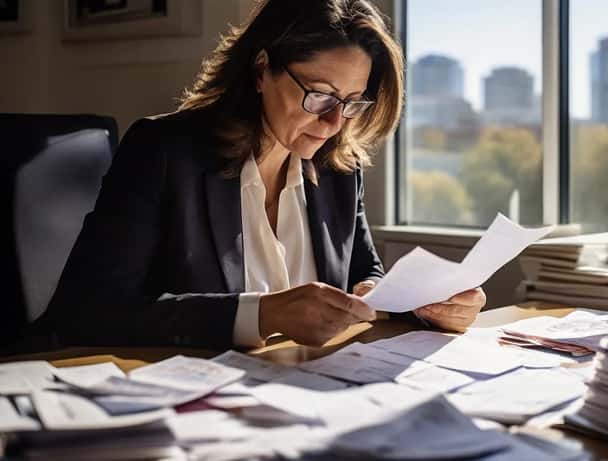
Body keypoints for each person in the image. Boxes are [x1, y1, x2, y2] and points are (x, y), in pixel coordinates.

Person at [49, 0, 485, 349]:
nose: (335, 123)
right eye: (319, 96)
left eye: (353, 102)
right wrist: (262, 314)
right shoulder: (163, 152)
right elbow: (87, 311)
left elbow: (362, 272)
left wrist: (423, 303)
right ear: (261, 70)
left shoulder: (338, 169)